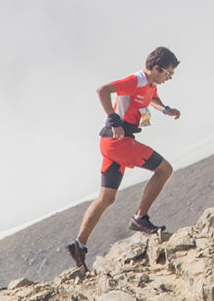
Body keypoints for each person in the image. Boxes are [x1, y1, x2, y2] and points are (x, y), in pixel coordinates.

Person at [65, 47, 183, 271]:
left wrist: (164, 109)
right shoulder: (135, 80)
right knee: (164, 170)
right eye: (168, 74)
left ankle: (78, 245)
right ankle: (140, 217)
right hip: (119, 141)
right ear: (156, 68)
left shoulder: (150, 84)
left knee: (106, 199)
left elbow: (153, 97)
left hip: (112, 143)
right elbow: (103, 90)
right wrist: (113, 119)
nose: (169, 78)